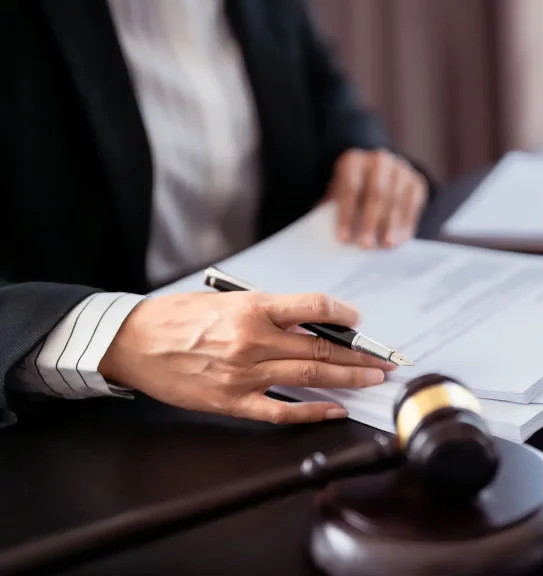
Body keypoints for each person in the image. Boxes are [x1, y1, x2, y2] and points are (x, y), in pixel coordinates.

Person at [0, 0, 431, 427]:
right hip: (79, 429)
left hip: (284, 389)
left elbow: (328, 97)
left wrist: (366, 157)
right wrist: (119, 338)